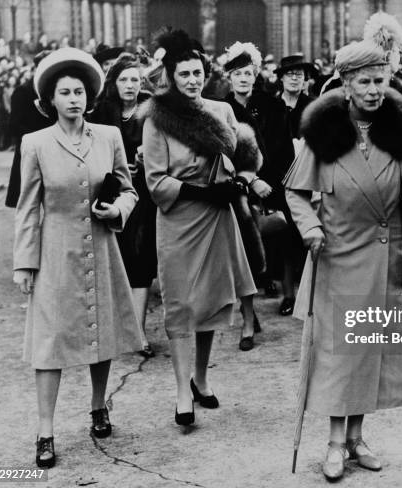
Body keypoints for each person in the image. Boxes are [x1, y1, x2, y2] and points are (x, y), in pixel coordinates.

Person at [284, 39, 402, 482]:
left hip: (386, 258)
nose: (373, 90)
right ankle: (333, 442)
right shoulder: (324, 135)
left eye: (380, 81)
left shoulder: (401, 135)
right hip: (335, 258)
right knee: (337, 354)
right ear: (345, 85)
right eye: (364, 82)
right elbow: (294, 190)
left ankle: (357, 438)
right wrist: (310, 228)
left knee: (372, 353)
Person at [13, 48, 142, 468]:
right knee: (49, 343)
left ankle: (99, 405)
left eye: (80, 91)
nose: (74, 99)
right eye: (65, 92)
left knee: (99, 329)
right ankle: (45, 430)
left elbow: (128, 189)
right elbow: (29, 208)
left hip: (101, 247)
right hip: (55, 254)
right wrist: (24, 263)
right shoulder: (35, 143)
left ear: (89, 96)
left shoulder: (108, 137)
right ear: (51, 99)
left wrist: (117, 210)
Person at [142, 29, 257, 425]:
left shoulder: (222, 111)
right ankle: (180, 394)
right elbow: (155, 182)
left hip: (217, 219)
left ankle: (201, 379)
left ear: (206, 74)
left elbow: (244, 157)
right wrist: (200, 192)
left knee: (210, 302)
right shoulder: (158, 118)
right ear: (171, 77)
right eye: (184, 74)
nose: (191, 80)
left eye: (197, 73)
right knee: (179, 304)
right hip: (178, 220)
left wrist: (241, 179)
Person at [88, 53, 158, 355]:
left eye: (135, 79)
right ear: (113, 83)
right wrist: (114, 166)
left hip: (142, 194)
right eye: (124, 79)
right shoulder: (102, 111)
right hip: (106, 191)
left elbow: (164, 148)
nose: (130, 85)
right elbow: (88, 148)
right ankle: (113, 328)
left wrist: (146, 160)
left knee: (141, 259)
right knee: (109, 259)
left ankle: (139, 333)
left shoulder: (151, 111)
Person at [223, 41, 298, 318]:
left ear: (257, 76)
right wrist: (251, 179)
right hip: (239, 186)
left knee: (284, 237)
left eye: (248, 73)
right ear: (228, 77)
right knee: (244, 246)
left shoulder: (272, 106)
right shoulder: (222, 109)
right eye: (237, 73)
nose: (244, 79)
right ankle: (248, 313)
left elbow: (283, 150)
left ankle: (288, 293)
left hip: (274, 182)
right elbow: (221, 154)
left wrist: (271, 181)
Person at [5, 50, 52, 208]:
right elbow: (14, 125)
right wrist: (37, 139)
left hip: (54, 153)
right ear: (36, 69)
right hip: (29, 154)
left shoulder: (55, 91)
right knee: (28, 205)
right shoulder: (23, 91)